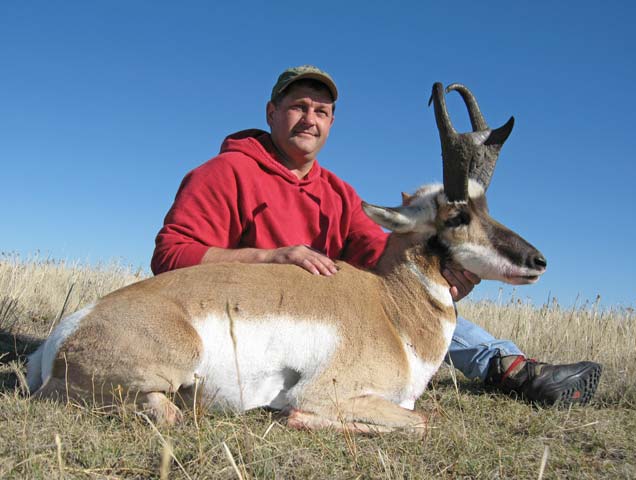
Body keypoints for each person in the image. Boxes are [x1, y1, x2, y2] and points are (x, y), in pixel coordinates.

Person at [151, 65, 601, 407]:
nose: (310, 119)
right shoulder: (224, 173)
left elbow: (381, 263)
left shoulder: (339, 193)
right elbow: (170, 257)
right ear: (271, 112)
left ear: (331, 123)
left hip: (326, 318)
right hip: (244, 313)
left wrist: (441, 274)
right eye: (298, 107)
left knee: (415, 306)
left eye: (322, 112)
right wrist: (270, 259)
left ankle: (512, 368)